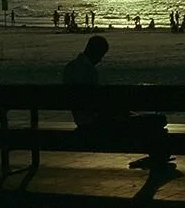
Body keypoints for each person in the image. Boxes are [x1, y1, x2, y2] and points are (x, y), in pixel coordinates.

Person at [63, 36, 173, 171]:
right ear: (95, 51)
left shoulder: (70, 67)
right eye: (101, 55)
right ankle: (158, 158)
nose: (100, 59)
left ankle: (157, 157)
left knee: (148, 121)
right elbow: (95, 105)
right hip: (96, 123)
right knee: (156, 121)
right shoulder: (88, 70)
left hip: (83, 120)